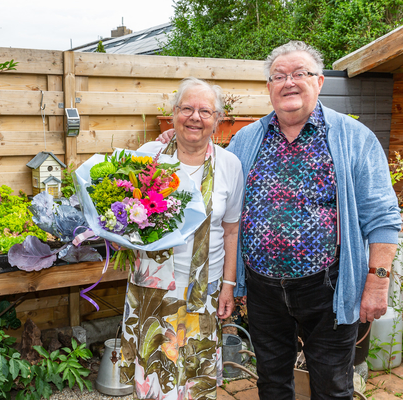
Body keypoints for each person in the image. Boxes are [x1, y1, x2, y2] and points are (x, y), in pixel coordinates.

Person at [158, 41, 401, 399]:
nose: (289, 82)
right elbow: (212, 163)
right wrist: (173, 138)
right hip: (262, 290)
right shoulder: (246, 139)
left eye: (300, 73)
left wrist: (378, 282)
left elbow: (382, 215)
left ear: (319, 81)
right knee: (271, 383)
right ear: (269, 88)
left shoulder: (354, 138)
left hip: (328, 288)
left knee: (332, 386)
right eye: (279, 76)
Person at [120, 77, 244, 400]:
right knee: (154, 377)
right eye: (187, 108)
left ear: (217, 120)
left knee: (195, 376)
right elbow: (128, 212)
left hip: (204, 291)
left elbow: (231, 230)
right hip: (153, 289)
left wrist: (229, 285)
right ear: (174, 113)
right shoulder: (149, 157)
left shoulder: (230, 166)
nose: (195, 117)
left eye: (205, 111)